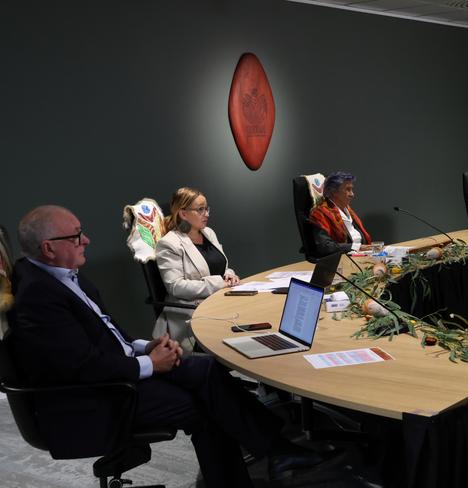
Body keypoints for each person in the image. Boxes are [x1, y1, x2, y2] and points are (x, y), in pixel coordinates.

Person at [7, 205, 325, 487]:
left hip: (118, 368)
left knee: (208, 369)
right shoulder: (38, 296)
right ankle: (275, 451)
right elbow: (81, 366)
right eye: (76, 236)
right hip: (98, 394)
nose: (86, 240)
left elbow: (105, 333)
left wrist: (147, 346)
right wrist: (150, 364)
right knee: (203, 405)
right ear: (48, 248)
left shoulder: (62, 276)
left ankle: (276, 448)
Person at [155, 187, 240, 353]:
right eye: (200, 209)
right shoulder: (169, 244)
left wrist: (230, 275)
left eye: (207, 208)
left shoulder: (208, 233)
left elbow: (221, 266)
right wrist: (219, 282)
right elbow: (175, 286)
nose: (206, 214)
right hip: (192, 312)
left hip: (220, 302)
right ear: (183, 214)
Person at [309, 171, 372, 256]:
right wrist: (356, 247)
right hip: (342, 259)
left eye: (351, 189)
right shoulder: (320, 213)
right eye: (348, 189)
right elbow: (325, 246)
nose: (352, 194)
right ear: (334, 192)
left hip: (360, 254)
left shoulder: (348, 210)